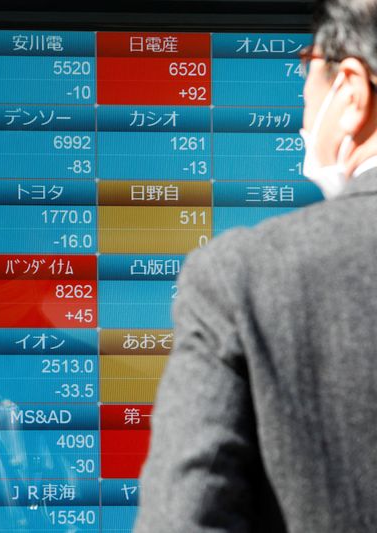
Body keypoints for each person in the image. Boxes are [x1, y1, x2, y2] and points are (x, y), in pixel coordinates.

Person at [134, 1, 377, 531]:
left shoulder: (239, 278)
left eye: (306, 83)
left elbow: (185, 517)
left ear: (353, 93)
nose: (302, 120)